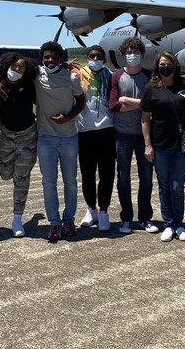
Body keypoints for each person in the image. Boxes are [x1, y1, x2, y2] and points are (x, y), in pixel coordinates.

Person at [34, 41, 86, 242]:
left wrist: (68, 117)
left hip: (69, 136)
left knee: (70, 181)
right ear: (42, 58)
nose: (50, 60)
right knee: (49, 182)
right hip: (45, 137)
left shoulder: (71, 77)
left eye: (53, 57)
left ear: (60, 58)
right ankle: (54, 223)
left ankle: (69, 220)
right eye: (46, 57)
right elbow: (12, 65)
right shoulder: (37, 75)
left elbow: (81, 102)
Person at [140, 52, 185, 242]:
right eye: (162, 64)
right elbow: (145, 118)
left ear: (175, 66)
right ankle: (169, 224)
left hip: (181, 145)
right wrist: (148, 145)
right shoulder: (150, 88)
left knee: (177, 186)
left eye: (169, 64)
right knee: (164, 186)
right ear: (157, 67)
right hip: (160, 144)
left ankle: (179, 224)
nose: (165, 67)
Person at [108, 37, 158, 235]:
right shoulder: (117, 76)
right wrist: (141, 104)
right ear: (123, 54)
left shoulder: (149, 76)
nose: (132, 55)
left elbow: (153, 103)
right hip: (122, 134)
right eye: (129, 52)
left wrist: (126, 100)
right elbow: (113, 105)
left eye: (136, 52)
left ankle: (145, 217)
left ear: (142, 54)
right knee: (123, 178)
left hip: (144, 135)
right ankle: (126, 218)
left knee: (146, 178)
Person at [0, 52, 39, 238]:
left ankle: (17, 218)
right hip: (6, 135)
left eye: (21, 67)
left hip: (27, 135)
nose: (17, 69)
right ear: (6, 66)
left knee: (21, 177)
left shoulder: (28, 83)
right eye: (14, 66)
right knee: (5, 173)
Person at [76, 45, 116, 232]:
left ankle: (104, 210)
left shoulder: (111, 76)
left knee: (107, 173)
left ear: (104, 60)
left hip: (107, 130)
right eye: (91, 56)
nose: (95, 59)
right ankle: (91, 208)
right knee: (87, 173)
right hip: (85, 131)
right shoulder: (78, 75)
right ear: (87, 58)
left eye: (99, 57)